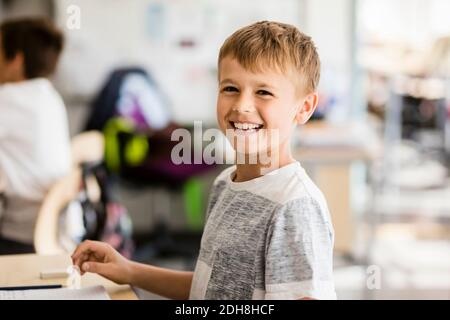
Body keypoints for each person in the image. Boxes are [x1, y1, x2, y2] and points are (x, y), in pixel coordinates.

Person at [72, 21, 336, 300]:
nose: (241, 105)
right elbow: (212, 287)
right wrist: (128, 270)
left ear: (304, 108)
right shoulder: (225, 183)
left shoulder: (296, 206)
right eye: (230, 88)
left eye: (263, 92)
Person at [0, 17, 71, 254]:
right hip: (56, 231)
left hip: (21, 238)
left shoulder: (8, 99)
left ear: (16, 60)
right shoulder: (51, 98)